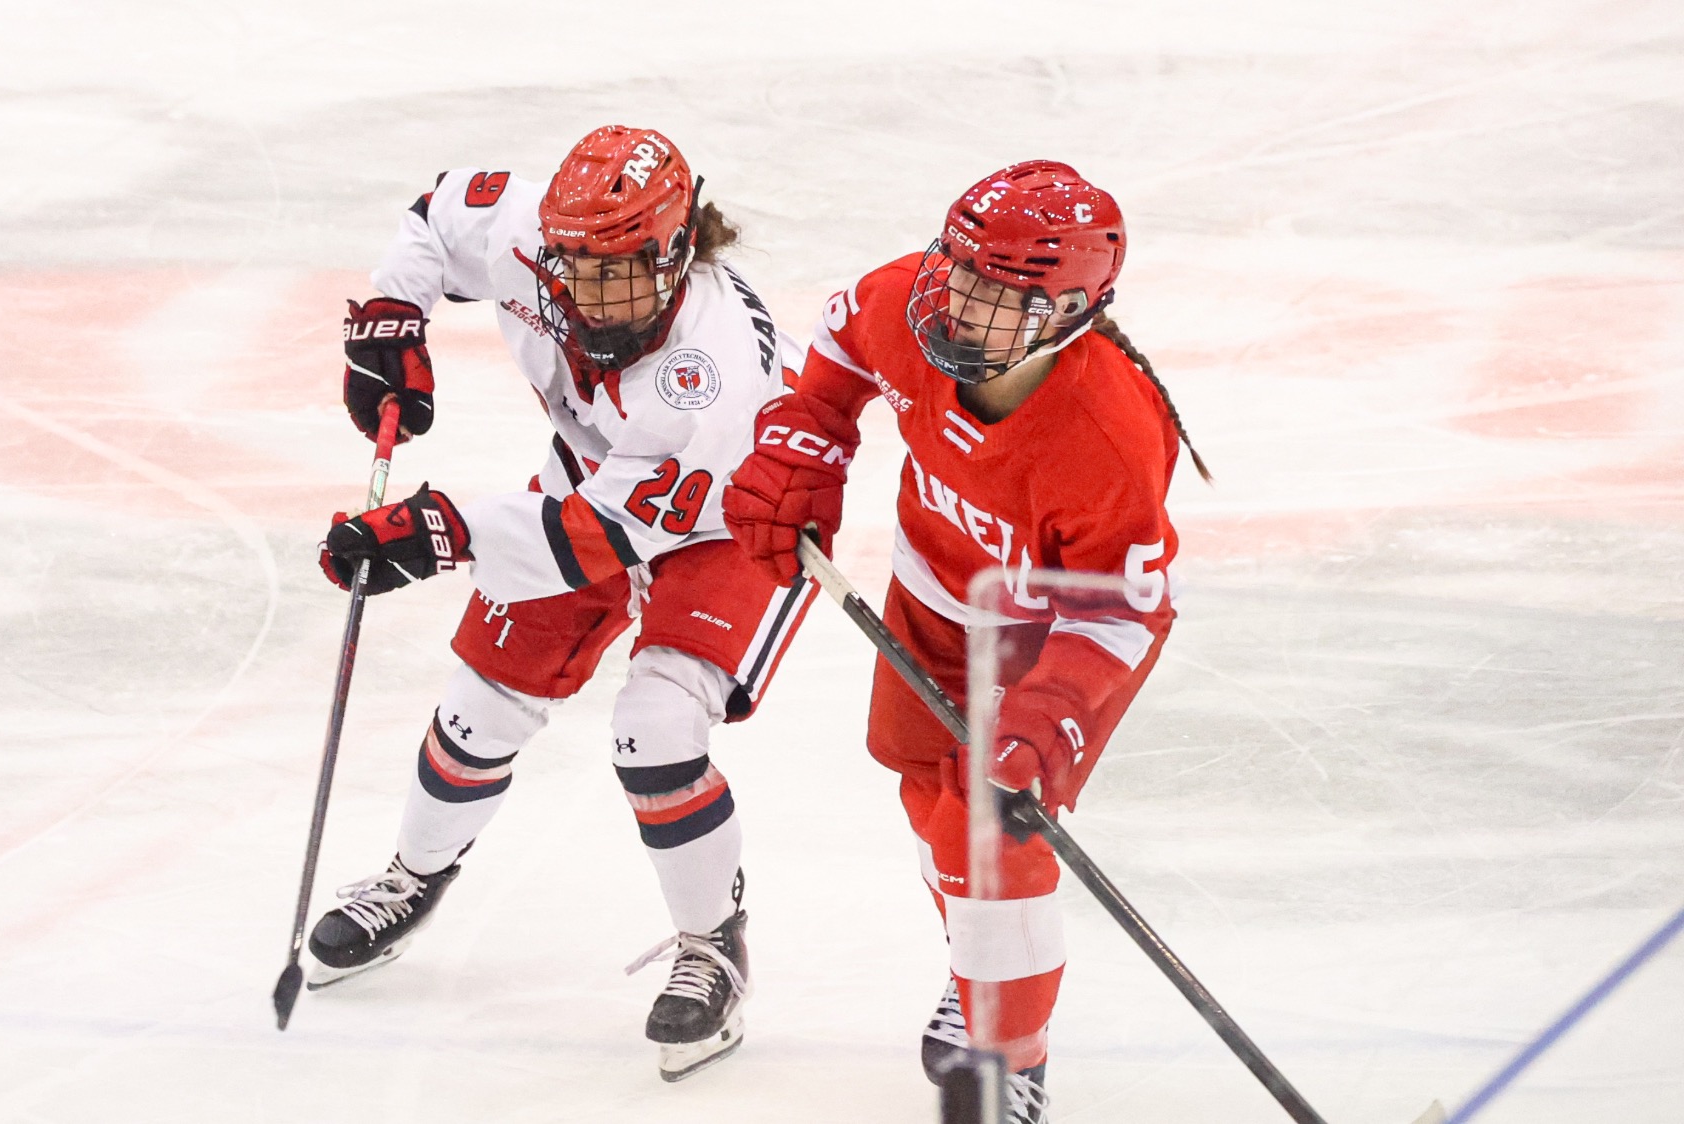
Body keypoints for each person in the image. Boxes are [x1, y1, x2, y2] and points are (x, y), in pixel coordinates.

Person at [309, 125, 812, 1082]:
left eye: (615, 271)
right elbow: (436, 214)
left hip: (738, 518)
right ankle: (413, 878)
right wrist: (389, 321)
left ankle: (713, 946)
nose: (584, 290)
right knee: (478, 707)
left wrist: (436, 529)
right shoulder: (541, 235)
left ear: (675, 255)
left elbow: (598, 541)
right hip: (598, 484)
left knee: (656, 728)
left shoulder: (704, 379)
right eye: (572, 265)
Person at [722, 161, 1209, 1120]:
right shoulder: (913, 300)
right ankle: (983, 965)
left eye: (999, 294)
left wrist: (1045, 719)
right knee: (927, 793)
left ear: (1070, 311)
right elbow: (840, 347)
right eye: (960, 271)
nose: (957, 305)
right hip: (932, 591)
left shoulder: (1106, 432)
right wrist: (803, 448)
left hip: (1046, 636)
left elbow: (1121, 610)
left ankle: (1011, 1060)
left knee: (986, 832)